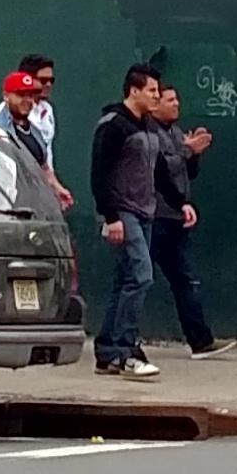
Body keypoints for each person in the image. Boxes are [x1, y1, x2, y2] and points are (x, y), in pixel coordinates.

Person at [83, 66, 169, 380]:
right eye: (152, 91)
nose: (156, 97)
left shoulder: (148, 126)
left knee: (125, 280)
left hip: (146, 212)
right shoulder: (113, 125)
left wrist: (179, 201)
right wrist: (112, 217)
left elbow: (157, 170)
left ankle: (107, 352)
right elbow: (99, 174)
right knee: (142, 276)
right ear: (134, 90)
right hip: (123, 212)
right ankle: (126, 350)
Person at [142, 75, 218, 359]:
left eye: (177, 100)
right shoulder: (148, 132)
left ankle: (201, 340)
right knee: (137, 278)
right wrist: (188, 150)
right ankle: (122, 339)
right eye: (169, 100)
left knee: (185, 279)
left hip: (176, 216)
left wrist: (194, 154)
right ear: (155, 103)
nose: (176, 105)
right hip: (154, 216)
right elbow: (159, 169)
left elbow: (186, 172)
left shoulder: (175, 132)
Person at [0, 57, 66, 212]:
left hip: (36, 205)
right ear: (6, 96)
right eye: (21, 95)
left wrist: (56, 188)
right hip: (7, 207)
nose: (27, 100)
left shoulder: (35, 130)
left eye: (30, 95)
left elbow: (43, 164)